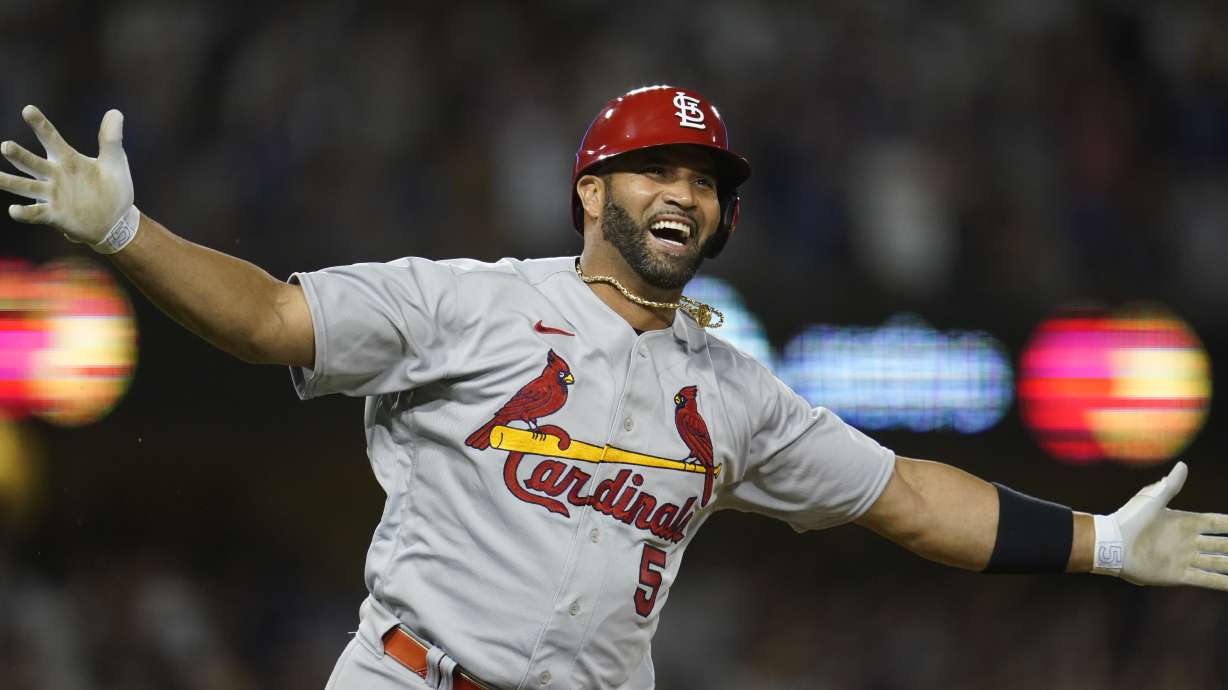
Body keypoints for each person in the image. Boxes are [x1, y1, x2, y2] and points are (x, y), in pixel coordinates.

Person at [1, 85, 1226, 690]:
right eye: (653, 171)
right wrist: (128, 236)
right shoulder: (466, 304)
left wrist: (1101, 548)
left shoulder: (735, 392)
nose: (680, 196)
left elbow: (905, 496)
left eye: (702, 180)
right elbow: (271, 317)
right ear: (590, 191)